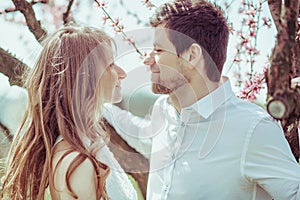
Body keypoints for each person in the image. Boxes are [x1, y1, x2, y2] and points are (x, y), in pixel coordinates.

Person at [103, 0, 300, 199]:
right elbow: (145, 137)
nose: (147, 60)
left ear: (192, 55)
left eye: (158, 50)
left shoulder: (253, 128)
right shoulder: (163, 109)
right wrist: (99, 105)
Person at [0, 25, 138, 200]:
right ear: (86, 76)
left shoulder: (89, 145)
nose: (122, 73)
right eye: (110, 64)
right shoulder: (77, 162)